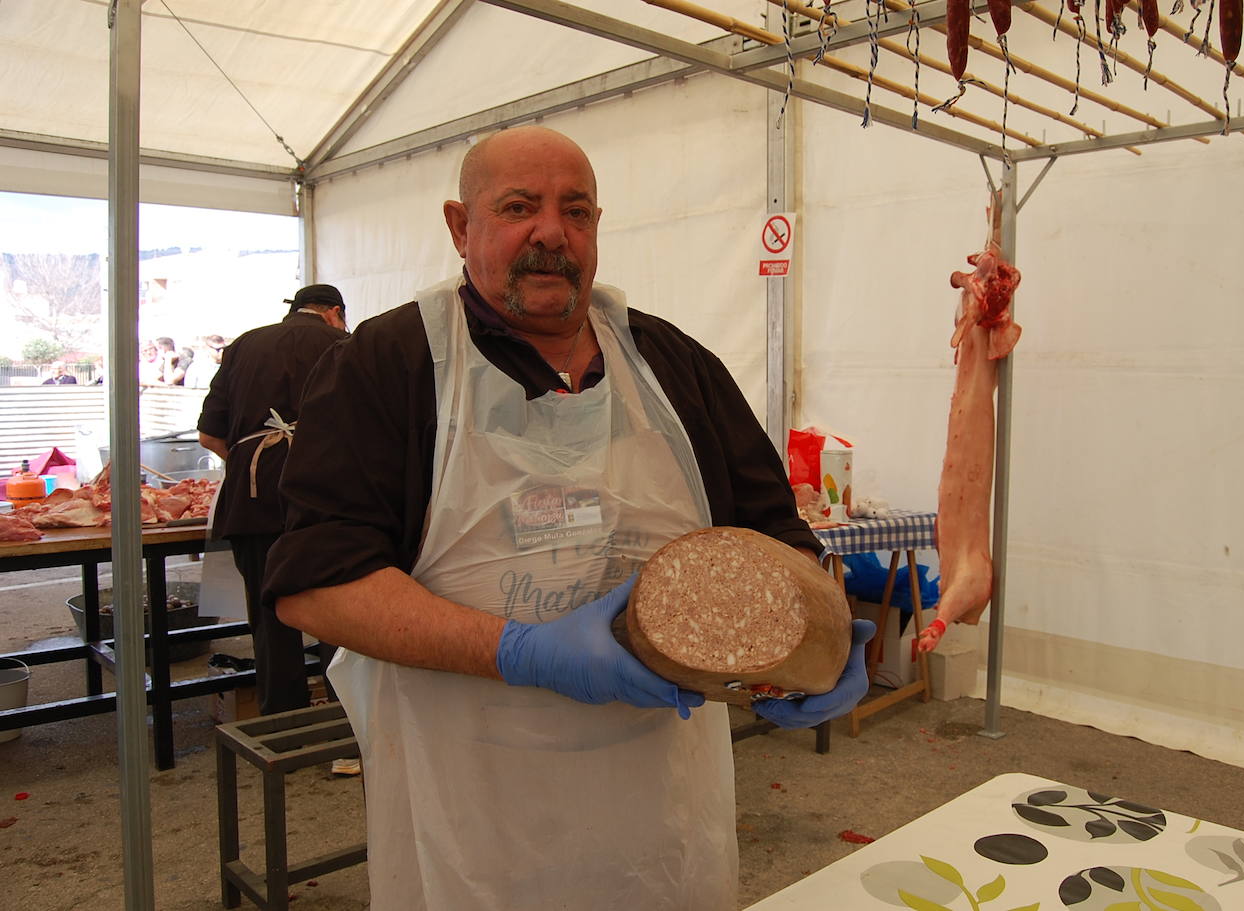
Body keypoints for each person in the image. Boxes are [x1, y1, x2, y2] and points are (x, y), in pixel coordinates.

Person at [262, 126, 875, 911]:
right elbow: (317, 586)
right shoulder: (390, 364)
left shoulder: (675, 366)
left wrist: (820, 632)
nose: (552, 232)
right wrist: (520, 651)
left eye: (576, 211)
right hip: (472, 828)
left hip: (661, 821)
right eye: (519, 207)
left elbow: (775, 535)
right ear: (460, 225)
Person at [196, 285, 348, 715]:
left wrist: (255, 462)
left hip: (253, 497)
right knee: (339, 612)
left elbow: (209, 435)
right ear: (335, 312)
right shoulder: (345, 344)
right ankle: (344, 722)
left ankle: (282, 724)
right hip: (326, 496)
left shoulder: (243, 345)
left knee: (269, 616)